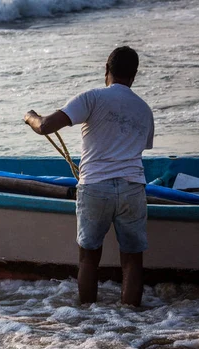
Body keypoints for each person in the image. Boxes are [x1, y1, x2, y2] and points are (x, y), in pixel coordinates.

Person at [23, 46, 154, 306]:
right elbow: (141, 147)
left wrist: (30, 117)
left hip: (95, 187)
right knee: (132, 261)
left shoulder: (92, 98)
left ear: (106, 70)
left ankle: (86, 318)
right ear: (134, 75)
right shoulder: (144, 109)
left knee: (89, 258)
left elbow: (46, 126)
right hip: (132, 188)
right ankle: (131, 320)